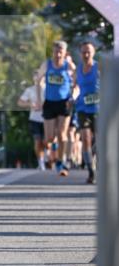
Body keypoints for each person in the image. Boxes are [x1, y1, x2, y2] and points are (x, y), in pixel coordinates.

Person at [36, 40, 75, 177]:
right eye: (56, 52)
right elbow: (38, 80)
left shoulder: (68, 65)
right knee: (49, 137)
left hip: (64, 102)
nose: (58, 55)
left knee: (62, 134)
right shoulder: (47, 64)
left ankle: (61, 161)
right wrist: (39, 99)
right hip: (49, 103)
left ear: (65, 53)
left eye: (60, 52)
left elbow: (77, 81)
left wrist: (73, 96)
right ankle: (54, 147)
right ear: (52, 52)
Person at [75, 41, 100, 184]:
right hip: (82, 108)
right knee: (85, 139)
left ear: (93, 52)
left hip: (98, 109)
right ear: (80, 53)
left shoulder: (99, 67)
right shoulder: (78, 69)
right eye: (83, 52)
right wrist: (72, 98)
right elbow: (75, 87)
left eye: (88, 52)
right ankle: (91, 172)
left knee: (100, 141)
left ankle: (99, 166)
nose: (86, 55)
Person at [18, 74, 46, 170]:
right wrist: (30, 104)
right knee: (38, 141)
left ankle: (48, 156)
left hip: (47, 119)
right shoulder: (30, 90)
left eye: (40, 76)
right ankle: (41, 162)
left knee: (47, 142)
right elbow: (20, 102)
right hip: (35, 119)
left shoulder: (48, 89)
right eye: (36, 76)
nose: (38, 78)